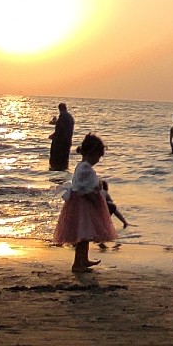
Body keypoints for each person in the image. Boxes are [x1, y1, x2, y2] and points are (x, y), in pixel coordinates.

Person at [53, 133, 118, 272]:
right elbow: (82, 189)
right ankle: (78, 263)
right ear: (92, 153)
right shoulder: (85, 168)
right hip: (84, 205)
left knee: (86, 234)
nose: (98, 160)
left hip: (84, 204)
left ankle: (83, 260)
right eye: (98, 156)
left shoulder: (82, 166)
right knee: (83, 235)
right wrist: (94, 199)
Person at [49, 103, 74, 171]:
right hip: (67, 142)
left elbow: (60, 130)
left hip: (60, 143)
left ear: (60, 109)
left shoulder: (63, 116)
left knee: (56, 161)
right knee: (64, 161)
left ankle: (56, 172)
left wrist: (53, 136)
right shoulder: (70, 117)